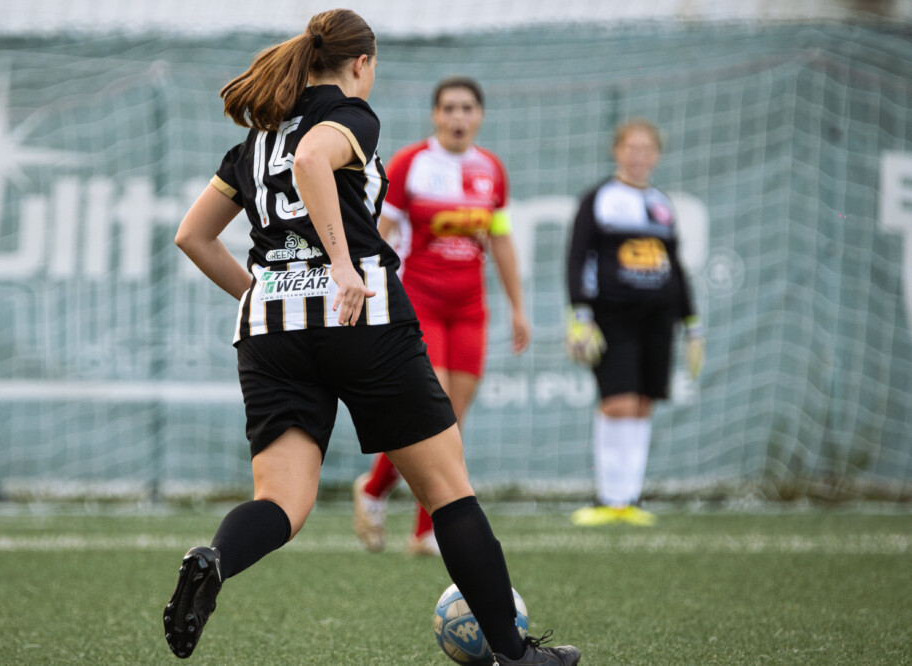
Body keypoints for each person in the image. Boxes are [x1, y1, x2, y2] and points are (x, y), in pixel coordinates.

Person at [165, 9, 579, 665]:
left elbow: (192, 236)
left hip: (271, 330)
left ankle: (215, 560)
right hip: (361, 317)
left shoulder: (251, 144)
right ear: (361, 63)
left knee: (282, 503)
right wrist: (336, 266)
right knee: (448, 492)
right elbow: (311, 160)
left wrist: (262, 293)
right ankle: (515, 657)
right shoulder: (353, 119)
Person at [352, 76, 530, 556]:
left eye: (467, 108)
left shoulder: (491, 169)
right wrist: (370, 292)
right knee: (434, 414)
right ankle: (383, 500)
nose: (458, 117)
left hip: (470, 308)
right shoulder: (412, 163)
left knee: (451, 421)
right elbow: (381, 232)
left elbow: (501, 240)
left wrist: (518, 307)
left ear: (480, 116)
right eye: (449, 108)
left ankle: (411, 521)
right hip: (420, 301)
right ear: (435, 115)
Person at [563, 118, 704, 527]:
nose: (639, 156)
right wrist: (580, 315)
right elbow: (577, 257)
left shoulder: (661, 203)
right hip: (613, 317)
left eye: (647, 149)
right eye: (632, 147)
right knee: (617, 402)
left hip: (659, 319)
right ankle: (607, 496)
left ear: (656, 155)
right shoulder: (600, 199)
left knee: (643, 403)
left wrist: (691, 323)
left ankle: (631, 497)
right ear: (617, 150)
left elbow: (675, 266)